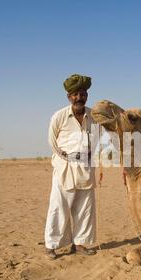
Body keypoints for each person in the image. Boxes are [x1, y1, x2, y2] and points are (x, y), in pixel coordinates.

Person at [44, 73, 98, 259]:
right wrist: (66, 158)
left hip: (86, 166)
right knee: (59, 206)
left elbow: (97, 139)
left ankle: (80, 243)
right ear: (69, 97)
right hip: (64, 167)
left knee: (85, 207)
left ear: (87, 96)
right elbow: (52, 142)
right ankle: (52, 245)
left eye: (82, 94)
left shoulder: (94, 117)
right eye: (75, 94)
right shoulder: (59, 116)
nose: (79, 98)